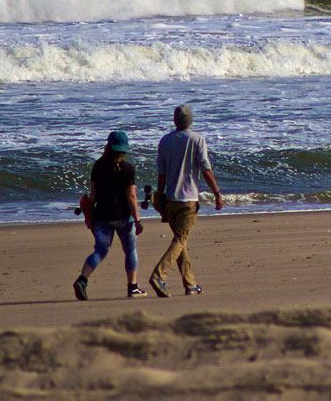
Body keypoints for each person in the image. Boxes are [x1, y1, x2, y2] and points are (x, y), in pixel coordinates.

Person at [148, 105, 224, 297]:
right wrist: (216, 192)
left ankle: (190, 284)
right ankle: (159, 275)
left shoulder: (165, 141)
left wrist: (160, 196)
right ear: (191, 120)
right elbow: (205, 169)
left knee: (179, 242)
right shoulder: (197, 139)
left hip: (170, 200)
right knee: (180, 240)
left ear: (175, 120)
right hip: (188, 200)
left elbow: (162, 174)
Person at [73, 130, 147, 300]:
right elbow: (131, 197)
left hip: (102, 216)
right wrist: (137, 220)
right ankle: (132, 287)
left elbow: (93, 195)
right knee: (130, 250)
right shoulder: (128, 169)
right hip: (123, 217)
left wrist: (88, 215)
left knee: (100, 251)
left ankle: (82, 279)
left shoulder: (98, 166)